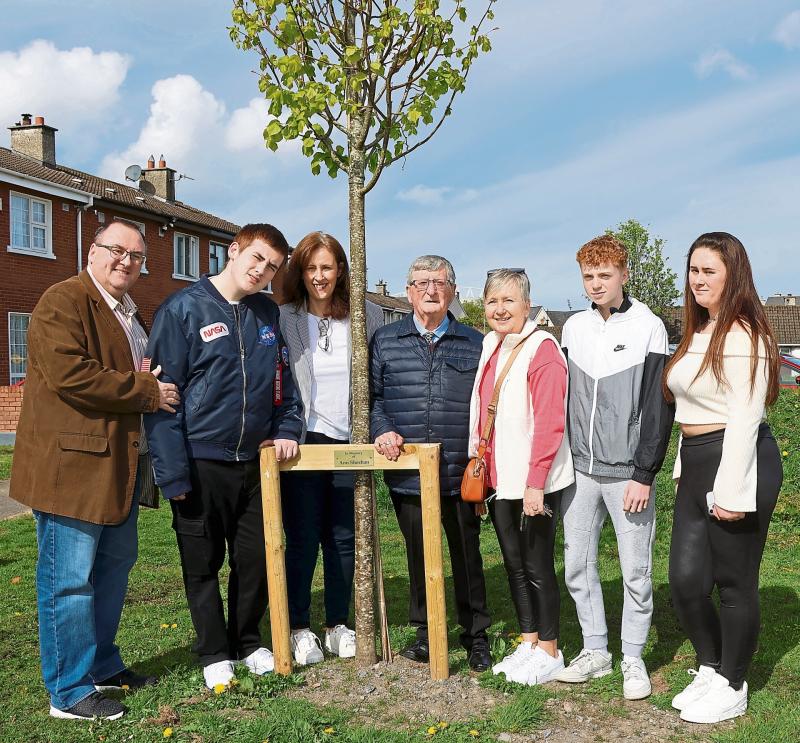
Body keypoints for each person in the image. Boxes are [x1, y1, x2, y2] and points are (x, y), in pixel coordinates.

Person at [10, 221, 179, 720]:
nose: (127, 261)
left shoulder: (126, 311)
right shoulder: (63, 300)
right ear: (92, 251)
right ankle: (68, 689)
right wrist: (147, 390)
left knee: (111, 573)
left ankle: (102, 664)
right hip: (72, 469)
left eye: (136, 255)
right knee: (69, 582)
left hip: (116, 468)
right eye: (116, 251)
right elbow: (71, 374)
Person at [145, 224, 302, 690]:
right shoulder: (181, 310)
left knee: (253, 558)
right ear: (232, 251)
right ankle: (214, 651)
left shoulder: (266, 314)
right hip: (199, 461)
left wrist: (288, 429)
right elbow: (162, 401)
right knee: (203, 561)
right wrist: (172, 473)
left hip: (254, 463)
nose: (261, 271)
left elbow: (283, 388)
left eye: (272, 266)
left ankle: (248, 641)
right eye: (256, 258)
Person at [664, 232, 782, 724]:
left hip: (738, 460)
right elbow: (689, 409)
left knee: (734, 583)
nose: (698, 280)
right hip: (696, 461)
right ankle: (711, 666)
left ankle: (734, 682)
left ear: (734, 274)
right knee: (686, 582)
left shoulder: (745, 333)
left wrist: (733, 491)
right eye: (693, 270)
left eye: (708, 270)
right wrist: (680, 467)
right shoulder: (699, 332)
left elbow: (745, 414)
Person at [557, 235, 673, 700]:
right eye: (588, 276)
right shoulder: (573, 328)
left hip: (628, 474)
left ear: (624, 274)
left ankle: (633, 658)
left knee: (636, 572)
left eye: (605, 275)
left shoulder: (650, 327)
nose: (596, 283)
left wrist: (644, 473)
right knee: (576, 566)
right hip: (580, 472)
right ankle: (596, 650)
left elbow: (659, 407)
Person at [369, 255, 492, 671]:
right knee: (419, 555)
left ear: (453, 291)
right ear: (408, 292)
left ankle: (476, 636)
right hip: (406, 472)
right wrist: (381, 428)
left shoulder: (475, 343)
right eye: (420, 282)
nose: (430, 290)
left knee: (466, 555)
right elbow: (373, 399)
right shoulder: (386, 340)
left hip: (459, 472)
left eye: (439, 282)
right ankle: (426, 632)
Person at [278, 231, 383, 664]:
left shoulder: (367, 315)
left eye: (327, 267)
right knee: (301, 539)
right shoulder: (285, 317)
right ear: (300, 273)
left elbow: (378, 378)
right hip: (303, 441)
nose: (319, 276)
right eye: (311, 268)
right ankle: (299, 627)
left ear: (341, 269)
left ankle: (338, 624)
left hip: (351, 439)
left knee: (344, 538)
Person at [468, 269, 574, 685]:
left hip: (535, 480)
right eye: (492, 301)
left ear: (527, 306)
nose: (499, 309)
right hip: (502, 477)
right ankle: (528, 641)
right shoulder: (491, 345)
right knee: (514, 564)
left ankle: (550, 650)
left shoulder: (542, 349)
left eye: (509, 301)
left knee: (537, 565)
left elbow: (550, 422)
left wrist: (536, 483)